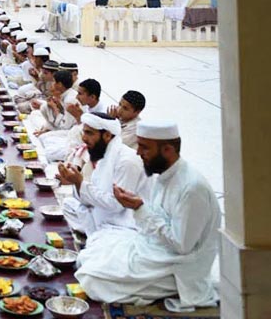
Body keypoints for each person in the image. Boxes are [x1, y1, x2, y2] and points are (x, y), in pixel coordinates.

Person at [75, 120, 220, 313]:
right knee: (92, 251)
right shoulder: (166, 175)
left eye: (144, 147)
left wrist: (139, 208)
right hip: (153, 248)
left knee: (92, 278)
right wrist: (138, 206)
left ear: (167, 150)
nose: (138, 153)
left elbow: (182, 246)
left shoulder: (192, 189)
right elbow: (156, 218)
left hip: (178, 267)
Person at [57, 112, 148, 235]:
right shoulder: (103, 156)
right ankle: (96, 234)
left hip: (122, 223)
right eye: (84, 132)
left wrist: (80, 183)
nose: (84, 138)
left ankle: (99, 237)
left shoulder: (126, 161)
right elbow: (92, 195)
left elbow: (116, 205)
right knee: (68, 204)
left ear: (107, 135)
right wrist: (76, 182)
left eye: (89, 133)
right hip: (102, 214)